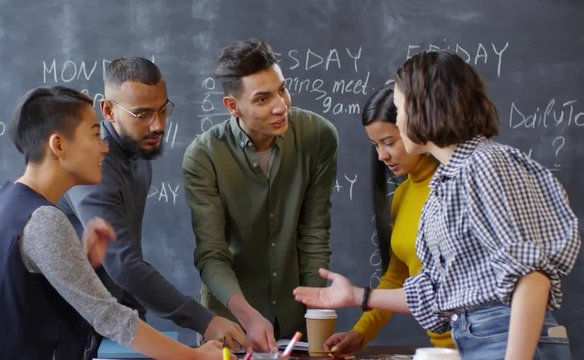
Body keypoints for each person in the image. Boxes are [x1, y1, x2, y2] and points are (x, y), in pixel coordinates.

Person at [293, 50, 580, 360]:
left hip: (506, 337)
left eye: (400, 109)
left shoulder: (485, 164)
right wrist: (356, 295)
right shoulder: (447, 182)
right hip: (477, 336)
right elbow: (437, 293)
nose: (399, 121)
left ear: (423, 108)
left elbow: (532, 276)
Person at [0, 86, 227, 360]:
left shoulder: (8, 200)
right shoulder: (43, 219)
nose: (104, 147)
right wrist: (194, 357)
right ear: (58, 145)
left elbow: (29, 296)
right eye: (95, 134)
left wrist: (85, 262)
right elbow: (109, 316)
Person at [57, 57, 247, 356]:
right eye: (142, 114)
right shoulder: (96, 167)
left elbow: (124, 262)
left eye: (162, 110)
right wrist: (204, 321)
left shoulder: (137, 155)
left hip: (114, 328)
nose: (157, 125)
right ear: (108, 110)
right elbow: (123, 265)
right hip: (76, 334)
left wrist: (139, 318)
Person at [182, 38, 338, 352]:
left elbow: (314, 233)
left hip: (296, 322)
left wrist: (316, 308)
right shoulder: (203, 156)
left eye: (282, 89)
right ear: (232, 106)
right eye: (263, 98)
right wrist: (248, 316)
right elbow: (211, 253)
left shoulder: (318, 137)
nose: (281, 105)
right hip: (231, 323)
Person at [323, 82, 454, 356]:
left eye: (389, 142)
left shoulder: (454, 186)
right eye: (375, 146)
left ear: (415, 128)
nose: (382, 156)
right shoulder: (403, 194)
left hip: (485, 345)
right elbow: (396, 277)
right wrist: (361, 332)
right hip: (443, 350)